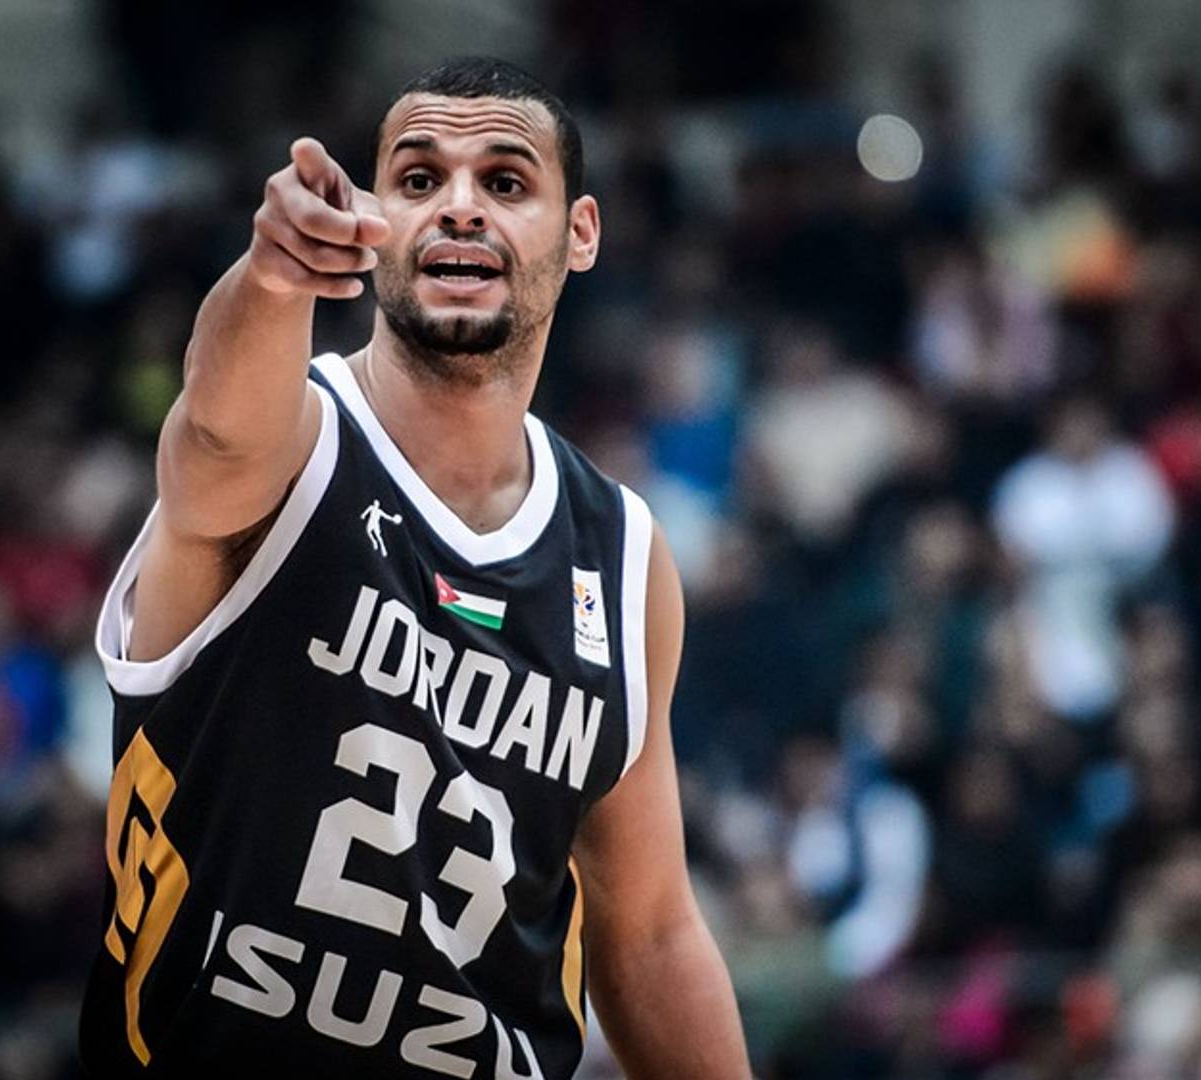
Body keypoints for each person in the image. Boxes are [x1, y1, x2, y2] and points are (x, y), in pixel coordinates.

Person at [80, 57, 750, 1078]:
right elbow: (213, 427)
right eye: (419, 177)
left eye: (506, 181)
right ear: (374, 219)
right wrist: (270, 274)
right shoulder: (290, 447)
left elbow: (651, 934)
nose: (460, 206)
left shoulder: (622, 556)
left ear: (581, 234)